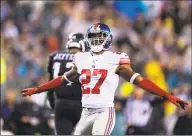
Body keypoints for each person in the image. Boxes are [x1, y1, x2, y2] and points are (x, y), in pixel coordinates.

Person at [21, 23, 188, 135]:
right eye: (93, 37)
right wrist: (38, 89)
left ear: (107, 39)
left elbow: (141, 81)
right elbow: (63, 79)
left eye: (100, 37)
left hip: (104, 111)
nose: (96, 40)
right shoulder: (82, 59)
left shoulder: (116, 59)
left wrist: (167, 95)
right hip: (85, 110)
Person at [46, 33, 88, 135]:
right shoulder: (87, 58)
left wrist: (54, 106)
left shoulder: (55, 56)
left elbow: (50, 88)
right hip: (80, 104)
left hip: (61, 104)